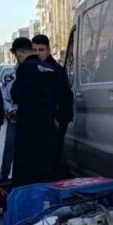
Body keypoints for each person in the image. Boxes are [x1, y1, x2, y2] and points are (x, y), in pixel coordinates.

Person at [10, 37, 72, 186]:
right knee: (47, 167)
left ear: (19, 53)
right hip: (49, 125)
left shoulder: (25, 68)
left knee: (26, 169)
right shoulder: (51, 69)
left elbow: (16, 95)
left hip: (28, 127)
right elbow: (64, 96)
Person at [32, 34, 74, 177]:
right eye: (34, 50)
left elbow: (65, 96)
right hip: (42, 120)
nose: (38, 54)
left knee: (54, 157)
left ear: (48, 50)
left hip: (55, 120)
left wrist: (61, 119)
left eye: (41, 50)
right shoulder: (34, 68)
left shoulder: (55, 70)